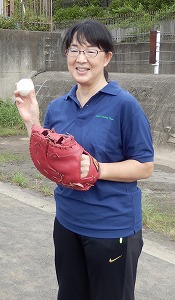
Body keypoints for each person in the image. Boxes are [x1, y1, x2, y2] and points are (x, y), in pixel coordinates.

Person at [15, 19, 154, 300]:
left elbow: (145, 165)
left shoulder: (124, 105)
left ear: (107, 57)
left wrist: (98, 169)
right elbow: (51, 158)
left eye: (91, 51)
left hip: (111, 227)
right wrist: (32, 123)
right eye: (74, 50)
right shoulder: (58, 107)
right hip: (66, 222)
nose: (81, 59)